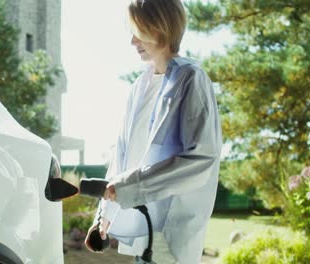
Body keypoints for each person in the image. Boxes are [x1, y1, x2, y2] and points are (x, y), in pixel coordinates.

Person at [84, 0, 222, 263]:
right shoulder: (139, 87)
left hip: (171, 236)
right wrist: (103, 216)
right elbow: (122, 156)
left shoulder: (191, 79)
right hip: (143, 236)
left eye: (139, 32)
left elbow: (201, 160)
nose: (133, 42)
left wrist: (130, 187)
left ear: (159, 29)